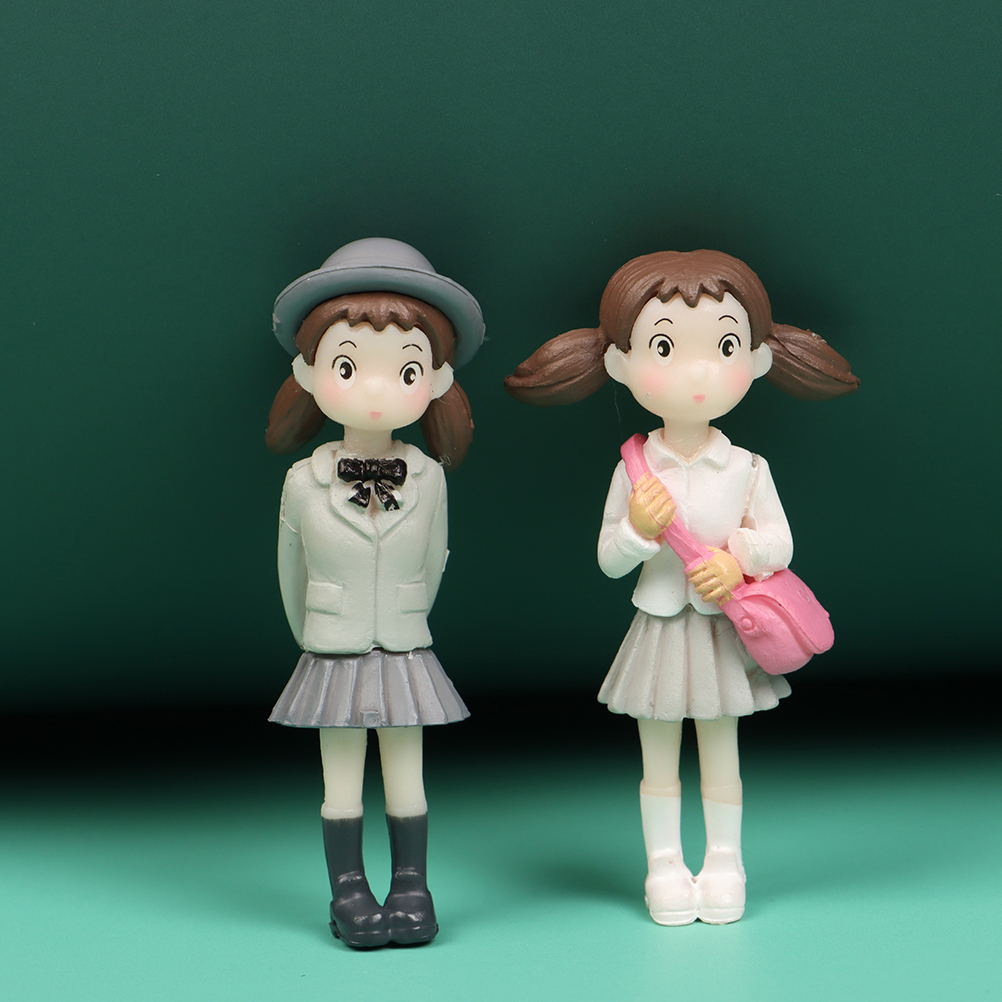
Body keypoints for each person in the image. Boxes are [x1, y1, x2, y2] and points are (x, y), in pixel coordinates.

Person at [505, 249, 857, 924]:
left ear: (757, 359)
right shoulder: (634, 469)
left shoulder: (747, 466)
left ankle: (725, 862)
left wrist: (736, 558)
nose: (696, 374)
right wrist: (638, 531)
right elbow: (609, 560)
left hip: (725, 627)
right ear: (619, 364)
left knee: (721, 753)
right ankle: (663, 865)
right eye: (664, 348)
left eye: (723, 347)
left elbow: (780, 542)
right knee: (658, 756)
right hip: (661, 625)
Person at [265, 237, 483, 947]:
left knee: (406, 772)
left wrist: (405, 613)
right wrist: (317, 633)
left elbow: (436, 559)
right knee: (340, 777)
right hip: (331, 646)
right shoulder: (303, 482)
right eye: (348, 366)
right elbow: (290, 573)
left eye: (407, 369)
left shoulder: (430, 477)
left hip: (405, 643)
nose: (378, 390)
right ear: (309, 371)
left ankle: (412, 885)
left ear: (437, 380)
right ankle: (349, 890)